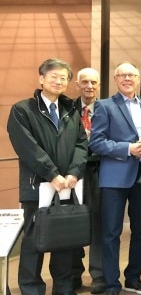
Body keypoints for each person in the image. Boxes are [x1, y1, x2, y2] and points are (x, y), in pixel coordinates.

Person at [7, 58, 88, 295]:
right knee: (34, 241)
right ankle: (32, 289)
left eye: (63, 77)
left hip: (67, 187)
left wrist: (74, 172)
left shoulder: (71, 110)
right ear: (41, 79)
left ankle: (63, 288)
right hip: (38, 187)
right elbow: (27, 147)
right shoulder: (23, 110)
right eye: (53, 76)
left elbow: (82, 144)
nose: (58, 80)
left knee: (64, 240)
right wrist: (52, 174)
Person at [89, 62, 141, 295]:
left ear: (139, 79)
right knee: (111, 233)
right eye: (123, 75)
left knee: (140, 231)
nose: (128, 78)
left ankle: (134, 278)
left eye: (132, 75)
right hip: (114, 178)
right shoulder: (105, 105)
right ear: (116, 79)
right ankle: (111, 284)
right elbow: (96, 142)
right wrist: (129, 149)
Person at [71, 67, 106, 294]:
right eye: (85, 82)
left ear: (99, 85)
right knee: (71, 222)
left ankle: (99, 275)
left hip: (99, 170)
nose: (89, 86)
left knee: (98, 224)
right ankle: (73, 273)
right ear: (77, 84)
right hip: (72, 173)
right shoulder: (67, 109)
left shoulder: (106, 109)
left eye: (94, 82)